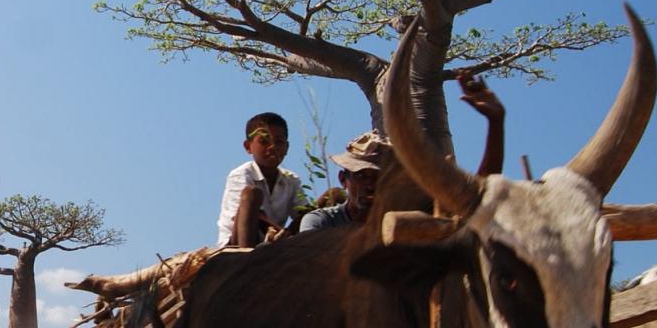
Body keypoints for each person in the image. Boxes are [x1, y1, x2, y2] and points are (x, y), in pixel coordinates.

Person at [300, 72, 508, 234]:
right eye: (361, 175)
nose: (370, 185)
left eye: (378, 178)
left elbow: (474, 202)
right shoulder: (321, 222)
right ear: (343, 179)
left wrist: (495, 122)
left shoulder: (410, 216)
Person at [217, 111, 300, 247]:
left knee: (320, 205)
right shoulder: (241, 174)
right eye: (264, 141)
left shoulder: (291, 180)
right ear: (248, 147)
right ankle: (246, 257)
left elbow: (302, 213)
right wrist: (285, 234)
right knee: (251, 195)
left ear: (286, 147)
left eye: (278, 142)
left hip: (272, 242)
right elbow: (255, 216)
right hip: (235, 242)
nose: (272, 147)